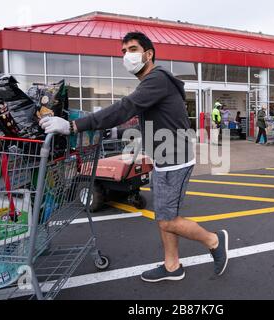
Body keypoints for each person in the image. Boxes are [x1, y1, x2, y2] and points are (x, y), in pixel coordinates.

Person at [40, 32, 229, 282]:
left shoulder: (157, 79)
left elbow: (125, 107)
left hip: (175, 159)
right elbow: (148, 121)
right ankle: (172, 266)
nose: (126, 55)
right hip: (163, 158)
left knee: (166, 220)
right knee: (165, 216)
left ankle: (215, 241)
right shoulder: (152, 83)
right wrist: (114, 131)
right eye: (123, 51)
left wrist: (75, 126)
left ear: (148, 54)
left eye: (132, 49)